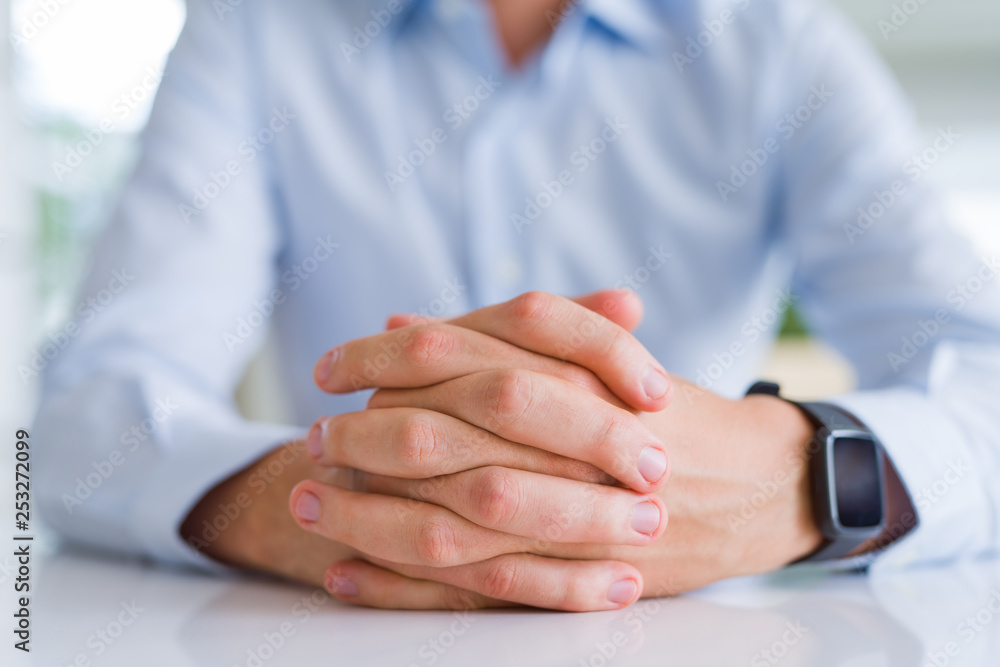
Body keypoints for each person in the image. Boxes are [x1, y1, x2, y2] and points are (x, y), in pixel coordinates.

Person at [34, 0, 1000, 612]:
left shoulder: (778, 45)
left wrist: (795, 478)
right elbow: (84, 419)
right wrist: (322, 502)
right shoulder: (257, 28)